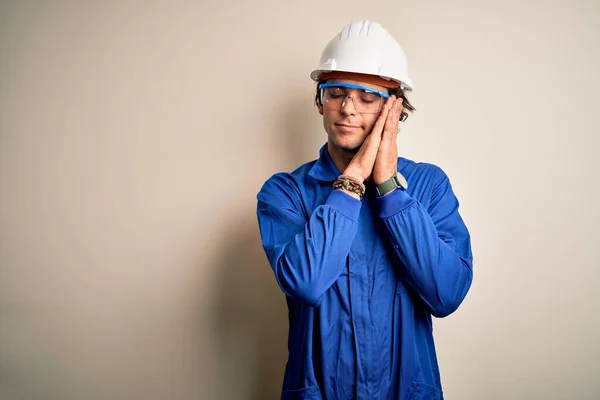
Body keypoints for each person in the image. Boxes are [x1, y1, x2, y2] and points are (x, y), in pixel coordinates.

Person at [256, 20, 473, 400]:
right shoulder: (285, 193)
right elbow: (306, 283)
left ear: (395, 108)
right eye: (335, 92)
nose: (347, 108)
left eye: (367, 97)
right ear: (320, 101)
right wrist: (353, 179)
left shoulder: (428, 186)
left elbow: (447, 294)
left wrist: (389, 187)